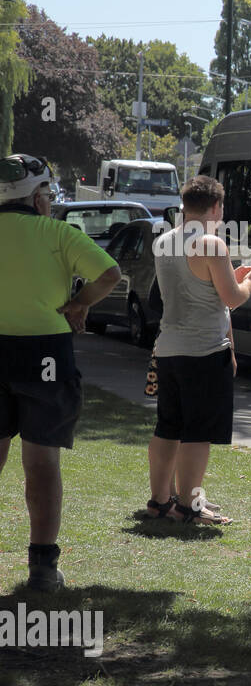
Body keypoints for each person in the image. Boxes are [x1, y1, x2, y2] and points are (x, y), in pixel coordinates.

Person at [0, 154, 121, 591]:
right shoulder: (56, 231)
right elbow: (110, 273)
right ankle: (43, 567)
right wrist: (79, 303)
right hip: (45, 353)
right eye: (47, 195)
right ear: (36, 198)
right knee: (42, 462)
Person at [147, 175, 251, 524]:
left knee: (168, 427)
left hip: (168, 348)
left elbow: (194, 288)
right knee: (198, 433)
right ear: (215, 206)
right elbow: (232, 298)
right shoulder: (212, 244)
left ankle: (160, 501)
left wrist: (231, 276)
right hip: (204, 350)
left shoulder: (165, 242)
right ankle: (189, 507)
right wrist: (248, 282)